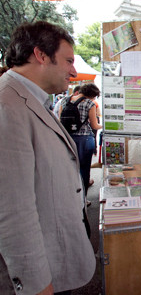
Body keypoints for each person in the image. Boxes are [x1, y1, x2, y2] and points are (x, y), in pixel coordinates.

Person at [0, 21, 95, 294]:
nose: (74, 72)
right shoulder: (7, 106)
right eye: (68, 61)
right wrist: (36, 284)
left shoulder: (29, 99)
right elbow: (12, 211)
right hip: (39, 278)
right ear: (40, 55)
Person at [59, 83, 102, 202]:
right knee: (84, 169)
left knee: (70, 169)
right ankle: (82, 200)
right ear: (92, 95)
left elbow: (60, 121)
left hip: (68, 139)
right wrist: (104, 125)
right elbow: (94, 125)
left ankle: (70, 198)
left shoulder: (65, 101)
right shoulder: (89, 104)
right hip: (84, 139)